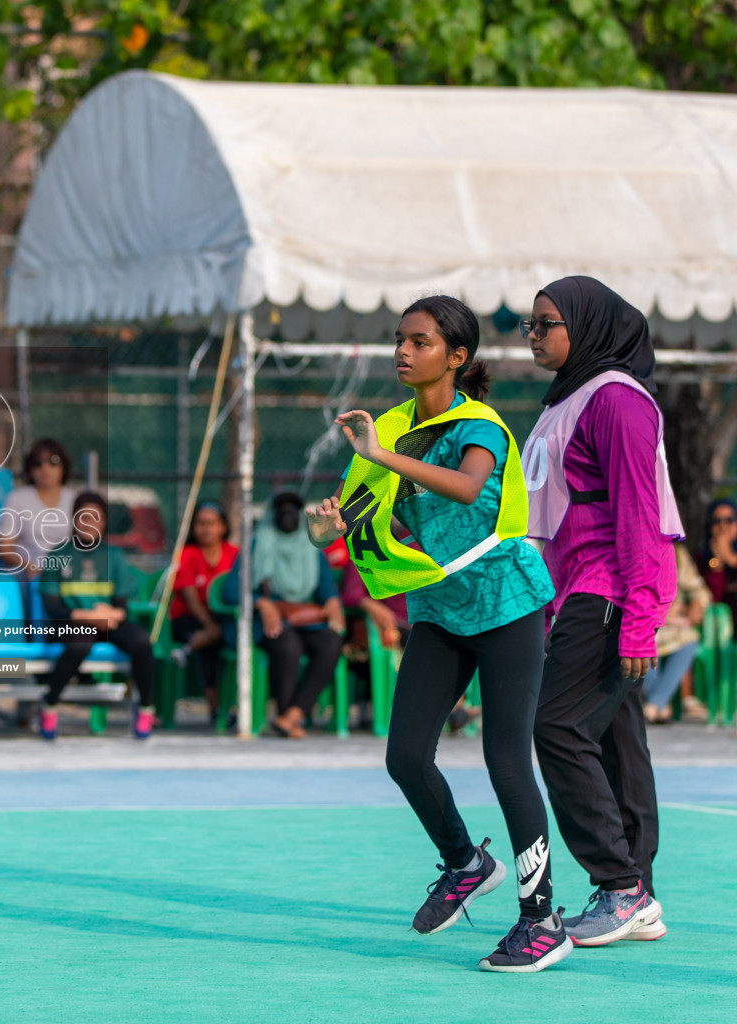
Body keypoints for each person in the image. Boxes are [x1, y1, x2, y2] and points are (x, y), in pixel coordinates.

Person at [307, 294, 566, 973]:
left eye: (419, 342)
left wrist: (383, 456)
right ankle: (464, 860)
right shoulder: (388, 428)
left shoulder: (479, 425)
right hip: (440, 611)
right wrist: (326, 525)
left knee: (505, 760)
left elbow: (463, 485)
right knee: (404, 757)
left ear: (455, 357)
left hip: (507, 604)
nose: (402, 351)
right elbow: (351, 513)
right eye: (400, 339)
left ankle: (542, 921)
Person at [521, 275, 682, 948]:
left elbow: (640, 515)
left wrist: (641, 615)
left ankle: (619, 885)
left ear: (585, 327)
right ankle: (635, 888)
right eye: (528, 324)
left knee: (555, 727)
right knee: (616, 739)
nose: (532, 335)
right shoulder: (567, 400)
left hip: (611, 588)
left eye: (545, 324)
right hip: (579, 592)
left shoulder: (616, 401)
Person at [35, 491, 158, 740]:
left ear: (103, 522)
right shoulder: (58, 555)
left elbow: (121, 607)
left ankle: (145, 707)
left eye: (96, 518)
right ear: (73, 520)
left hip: (106, 624)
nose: (89, 524)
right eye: (83, 517)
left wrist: (110, 614)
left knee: (141, 641)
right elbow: (53, 607)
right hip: (70, 624)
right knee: (79, 644)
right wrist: (86, 615)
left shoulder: (114, 556)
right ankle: (49, 703)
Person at [253, 491, 344, 740]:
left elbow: (326, 588)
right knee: (287, 644)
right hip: (271, 622)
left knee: (331, 641)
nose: (287, 513)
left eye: (294, 508)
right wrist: (262, 603)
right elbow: (232, 591)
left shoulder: (312, 545)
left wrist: (333, 601)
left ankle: (292, 716)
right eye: (282, 508)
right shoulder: (258, 543)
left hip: (307, 621)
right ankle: (285, 714)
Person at [167, 501, 238, 723]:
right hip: (188, 618)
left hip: (223, 619)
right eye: (200, 524)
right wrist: (210, 626)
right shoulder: (186, 554)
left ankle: (188, 649)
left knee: (220, 639)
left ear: (223, 527)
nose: (206, 529)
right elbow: (189, 597)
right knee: (212, 643)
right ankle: (217, 708)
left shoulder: (234, 553)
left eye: (211, 523)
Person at [642, 544, 710, 723]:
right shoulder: (634, 548)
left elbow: (700, 590)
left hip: (673, 624)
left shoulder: (677, 554)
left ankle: (655, 705)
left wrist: (696, 606)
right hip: (643, 619)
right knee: (640, 641)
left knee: (690, 639)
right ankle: (660, 705)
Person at [0, 437, 78, 578]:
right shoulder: (17, 498)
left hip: (66, 574)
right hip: (27, 574)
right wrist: (30, 567)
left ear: (64, 466)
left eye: (53, 461)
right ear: (30, 469)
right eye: (37, 463)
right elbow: (4, 548)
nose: (45, 468)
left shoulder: (75, 499)